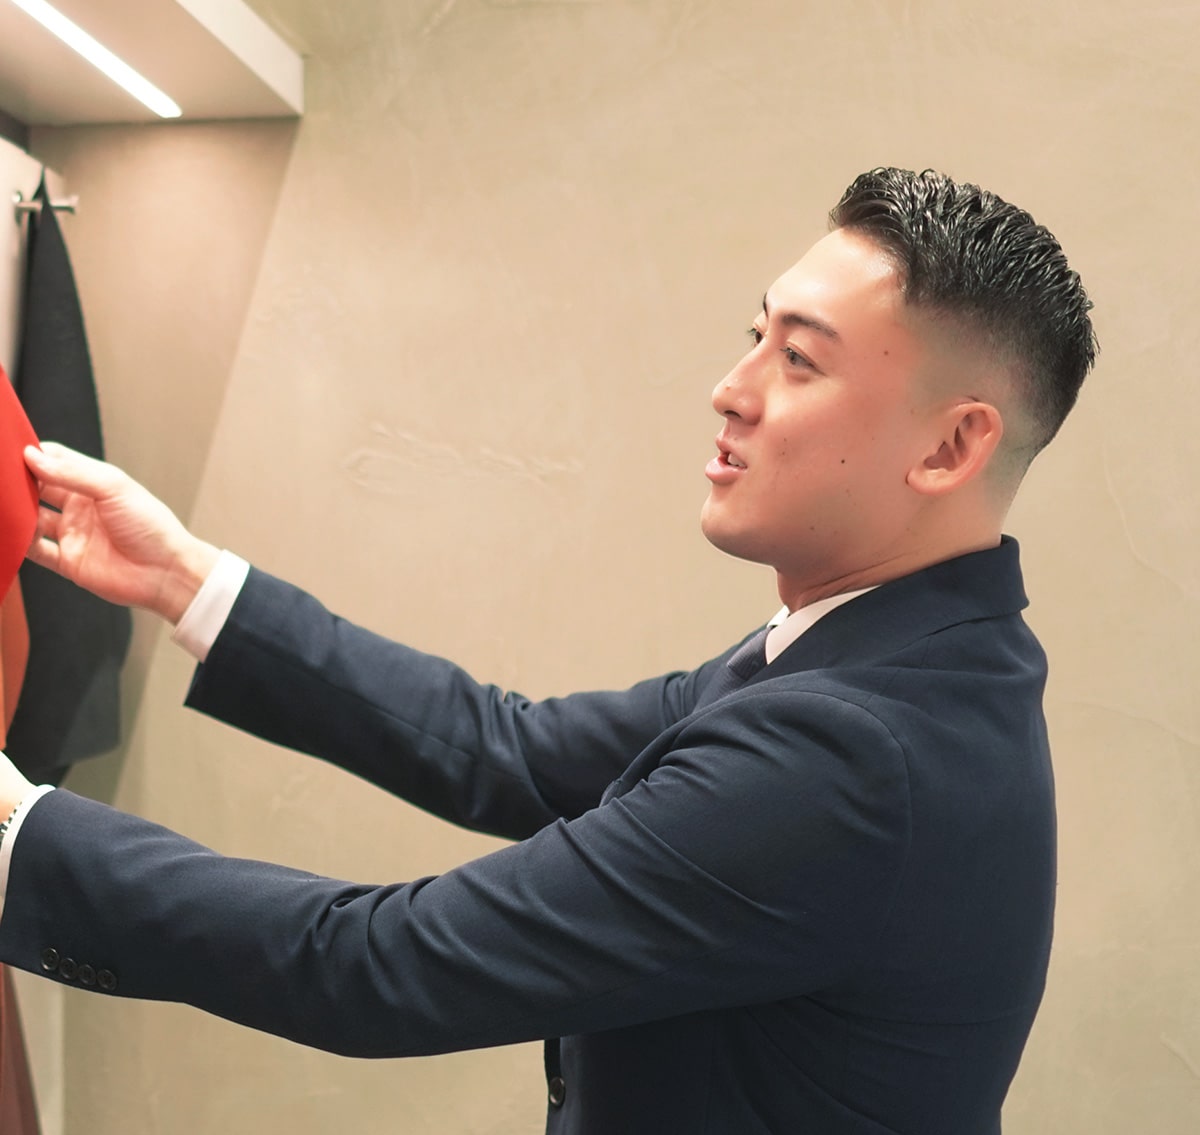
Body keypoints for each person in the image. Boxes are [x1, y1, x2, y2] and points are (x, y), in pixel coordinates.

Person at [0, 167, 1096, 1134]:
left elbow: (378, 965)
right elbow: (510, 749)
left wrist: (18, 831)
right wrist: (186, 579)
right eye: (756, 333)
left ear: (951, 444)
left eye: (800, 359)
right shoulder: (906, 657)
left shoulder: (848, 755)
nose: (731, 388)